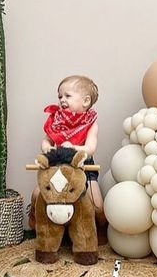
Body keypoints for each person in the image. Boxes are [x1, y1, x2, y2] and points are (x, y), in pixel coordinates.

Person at [30, 74, 106, 228]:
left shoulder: (91, 123)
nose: (62, 100)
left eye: (67, 96)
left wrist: (73, 148)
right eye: (60, 96)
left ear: (85, 101)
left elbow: (90, 149)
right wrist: (46, 147)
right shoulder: (57, 120)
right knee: (37, 195)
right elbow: (47, 140)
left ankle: (101, 228)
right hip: (57, 164)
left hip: (83, 166)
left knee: (97, 204)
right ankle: (34, 213)